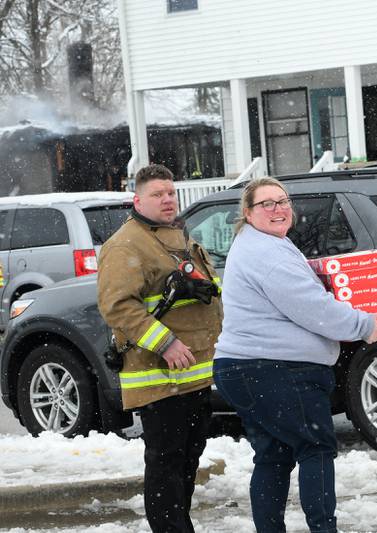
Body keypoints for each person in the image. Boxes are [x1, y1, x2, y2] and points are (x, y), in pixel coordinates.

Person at [212, 177, 377, 533]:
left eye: (283, 201)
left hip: (248, 368)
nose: (278, 209)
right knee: (316, 449)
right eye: (267, 204)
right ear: (248, 213)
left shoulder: (261, 245)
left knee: (273, 456)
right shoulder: (266, 252)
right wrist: (363, 325)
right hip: (275, 369)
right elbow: (310, 307)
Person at [97, 163, 223, 532]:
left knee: (187, 460)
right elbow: (117, 306)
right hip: (158, 375)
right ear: (137, 199)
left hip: (193, 374)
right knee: (166, 463)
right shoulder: (125, 244)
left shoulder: (177, 236)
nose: (168, 200)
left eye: (170, 192)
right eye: (158, 194)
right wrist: (165, 342)